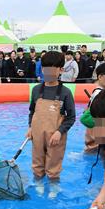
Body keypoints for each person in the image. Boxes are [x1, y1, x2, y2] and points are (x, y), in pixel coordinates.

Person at [26, 51, 76, 199]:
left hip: (55, 136)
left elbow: (71, 117)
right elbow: (32, 111)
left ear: (61, 70)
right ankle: (39, 183)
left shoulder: (65, 92)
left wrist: (60, 131)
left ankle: (54, 185)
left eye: (52, 69)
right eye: (45, 68)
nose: (47, 72)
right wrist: (30, 127)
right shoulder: (36, 90)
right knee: (37, 160)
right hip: (37, 134)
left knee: (54, 163)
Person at [80, 63, 105, 153]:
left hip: (94, 130)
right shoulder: (100, 94)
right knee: (98, 152)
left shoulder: (98, 92)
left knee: (92, 150)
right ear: (100, 77)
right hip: (98, 130)